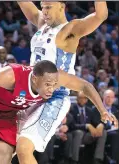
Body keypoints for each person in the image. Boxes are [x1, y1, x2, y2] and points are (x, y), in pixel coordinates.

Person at [0, 61, 117, 164]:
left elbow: (85, 85)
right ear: (35, 78)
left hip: (5, 117)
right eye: (47, 85)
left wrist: (102, 110)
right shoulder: (10, 75)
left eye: (54, 85)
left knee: (3, 153)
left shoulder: (52, 77)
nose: (51, 89)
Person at [17, 2, 109, 163]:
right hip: (31, 94)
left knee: (24, 148)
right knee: (2, 149)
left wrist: (102, 110)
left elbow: (100, 15)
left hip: (54, 97)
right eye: (42, 6)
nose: (43, 11)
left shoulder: (70, 29)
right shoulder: (42, 23)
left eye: (48, 7)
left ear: (61, 6)